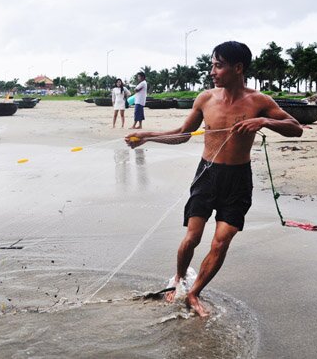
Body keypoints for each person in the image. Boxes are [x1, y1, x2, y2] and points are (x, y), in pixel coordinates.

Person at [125, 41, 303, 317]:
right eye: (212, 65)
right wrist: (148, 135)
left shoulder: (260, 102)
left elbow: (296, 128)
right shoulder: (205, 99)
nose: (212, 71)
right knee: (192, 237)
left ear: (238, 68)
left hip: (238, 179)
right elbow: (183, 134)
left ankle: (194, 293)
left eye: (218, 65)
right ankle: (179, 278)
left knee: (221, 241)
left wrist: (264, 122)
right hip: (207, 175)